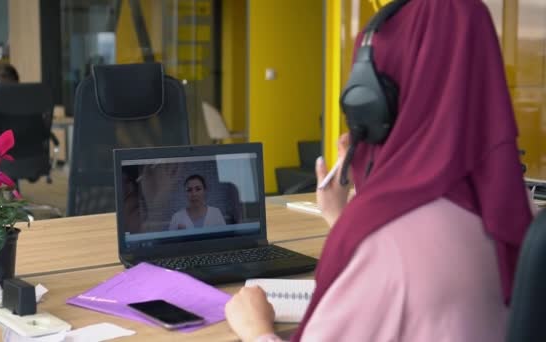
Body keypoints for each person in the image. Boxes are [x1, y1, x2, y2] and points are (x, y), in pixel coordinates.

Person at [225, 1, 534, 341]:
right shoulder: (519, 214)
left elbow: (395, 263)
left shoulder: (388, 246)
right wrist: (344, 220)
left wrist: (257, 330)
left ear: (371, 106)